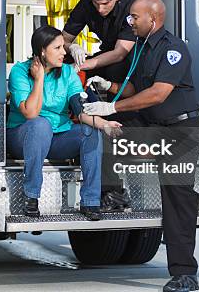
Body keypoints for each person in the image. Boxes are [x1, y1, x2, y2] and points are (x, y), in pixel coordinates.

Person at [83, 0, 199, 292]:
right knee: (111, 132)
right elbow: (137, 89)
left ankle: (184, 274)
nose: (129, 22)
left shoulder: (174, 49)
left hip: (179, 130)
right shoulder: (140, 49)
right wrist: (108, 87)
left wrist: (113, 107)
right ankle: (113, 194)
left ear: (153, 18)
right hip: (152, 125)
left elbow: (158, 94)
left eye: (134, 17)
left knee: (177, 199)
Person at [7, 25, 122, 221]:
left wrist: (104, 124)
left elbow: (81, 110)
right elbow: (30, 113)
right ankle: (31, 197)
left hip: (57, 138)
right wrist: (40, 78)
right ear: (42, 50)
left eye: (63, 47)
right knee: (40, 124)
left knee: (90, 132)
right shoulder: (19, 71)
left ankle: (91, 201)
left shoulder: (68, 73)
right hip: (24, 137)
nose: (64, 52)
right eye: (58, 48)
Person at [62, 0, 136, 210]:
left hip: (129, 62)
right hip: (104, 57)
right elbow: (62, 39)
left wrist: (87, 64)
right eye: (96, 3)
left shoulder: (130, 6)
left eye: (105, 4)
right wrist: (72, 48)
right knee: (69, 71)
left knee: (121, 125)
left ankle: (115, 189)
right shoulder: (87, 4)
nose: (100, 9)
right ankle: (84, 114)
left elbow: (121, 52)